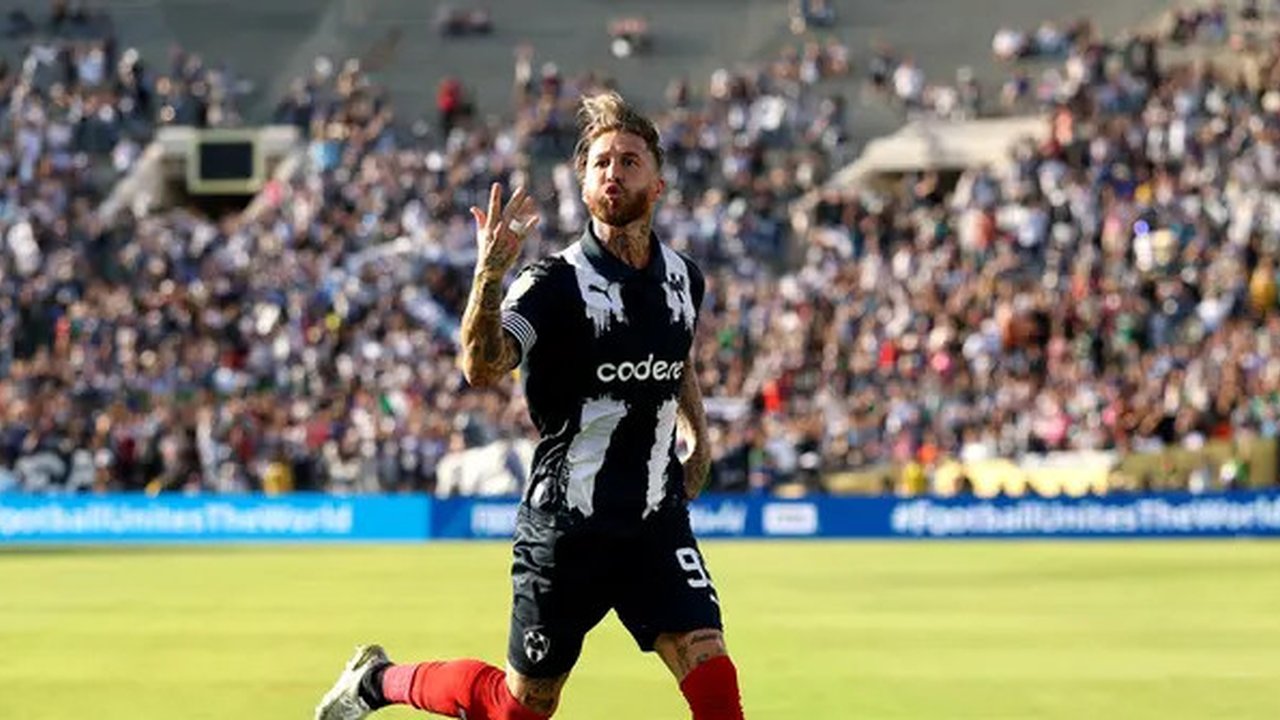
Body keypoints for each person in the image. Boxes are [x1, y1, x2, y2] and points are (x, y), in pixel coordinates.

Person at [315, 92, 746, 720]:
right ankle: (378, 680)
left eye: (629, 160)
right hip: (567, 528)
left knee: (712, 675)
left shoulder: (685, 278)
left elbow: (676, 358)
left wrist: (698, 437)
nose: (612, 172)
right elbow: (481, 366)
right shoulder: (552, 284)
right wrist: (488, 276)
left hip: (655, 519)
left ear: (657, 182)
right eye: (600, 162)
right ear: (583, 183)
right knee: (521, 707)